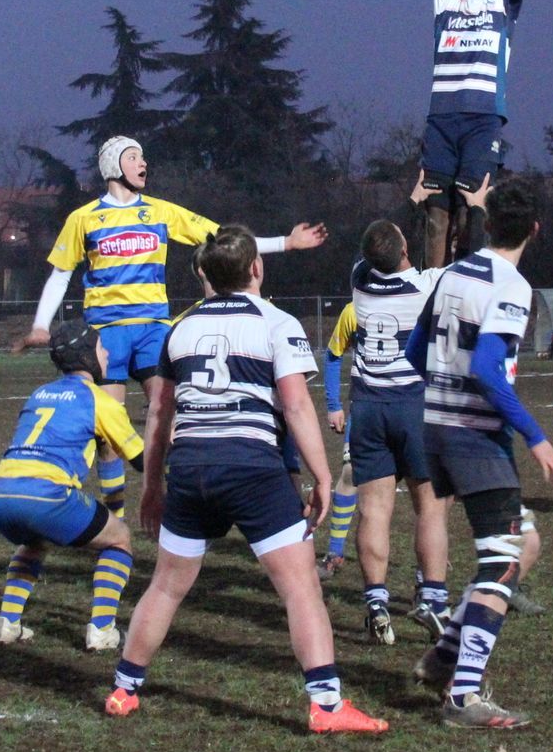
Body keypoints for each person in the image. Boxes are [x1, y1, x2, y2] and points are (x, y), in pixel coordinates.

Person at [105, 225, 388, 734]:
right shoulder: (277, 322)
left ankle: (124, 689)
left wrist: (152, 486)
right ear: (256, 268)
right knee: (301, 587)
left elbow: (159, 412)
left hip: (189, 467)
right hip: (252, 466)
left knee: (166, 587)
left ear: (204, 276)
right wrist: (323, 476)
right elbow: (297, 404)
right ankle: (326, 707)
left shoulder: (180, 328)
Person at [21, 136, 325, 519]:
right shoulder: (83, 219)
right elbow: (60, 274)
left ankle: (175, 498)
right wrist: (39, 324)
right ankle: (115, 513)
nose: (143, 162)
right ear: (114, 167)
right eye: (134, 157)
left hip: (152, 328)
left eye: (143, 157)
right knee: (109, 433)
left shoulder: (161, 212)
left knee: (171, 413)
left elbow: (222, 237)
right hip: (107, 332)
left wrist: (286, 243)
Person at [406, 179, 553, 730]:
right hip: (475, 437)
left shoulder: (451, 273)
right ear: (534, 230)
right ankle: (462, 696)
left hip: (436, 428)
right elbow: (487, 371)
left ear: (489, 222)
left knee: (522, 542)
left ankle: (443, 655)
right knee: (503, 560)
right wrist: (535, 434)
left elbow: (414, 349)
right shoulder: (512, 286)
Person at [414, 0, 543, 269]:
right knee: (435, 205)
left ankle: (471, 275)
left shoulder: (504, 2)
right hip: (442, 116)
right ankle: (432, 283)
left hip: (484, 116)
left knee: (475, 202)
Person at [0, 321, 142, 649]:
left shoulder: (40, 392)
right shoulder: (100, 400)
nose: (107, 353)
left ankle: (7, 623)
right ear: (87, 356)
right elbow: (141, 459)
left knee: (33, 541)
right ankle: (102, 630)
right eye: (101, 347)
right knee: (120, 541)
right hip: (47, 496)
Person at [342, 219, 456, 646]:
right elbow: (470, 260)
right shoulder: (427, 286)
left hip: (368, 408)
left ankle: (376, 604)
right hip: (413, 406)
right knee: (431, 505)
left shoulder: (359, 280)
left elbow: (381, 248)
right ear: (406, 248)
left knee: (374, 510)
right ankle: (433, 597)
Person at [316, 301, 360, 579]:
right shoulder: (354, 310)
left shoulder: (418, 300)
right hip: (365, 408)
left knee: (424, 488)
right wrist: (333, 404)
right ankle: (335, 551)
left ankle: (427, 569)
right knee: (349, 473)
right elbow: (333, 355)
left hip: (412, 408)